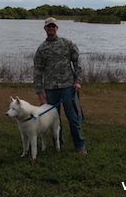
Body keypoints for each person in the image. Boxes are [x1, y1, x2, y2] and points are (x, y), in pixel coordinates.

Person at [33, 17, 87, 155]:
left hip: (68, 87)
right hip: (50, 89)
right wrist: (39, 91)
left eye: (53, 26)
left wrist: (78, 81)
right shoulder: (42, 49)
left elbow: (77, 64)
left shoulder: (67, 44)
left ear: (57, 28)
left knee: (73, 118)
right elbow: (37, 71)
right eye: (48, 26)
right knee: (54, 119)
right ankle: (58, 143)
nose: (51, 28)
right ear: (45, 28)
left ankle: (79, 145)